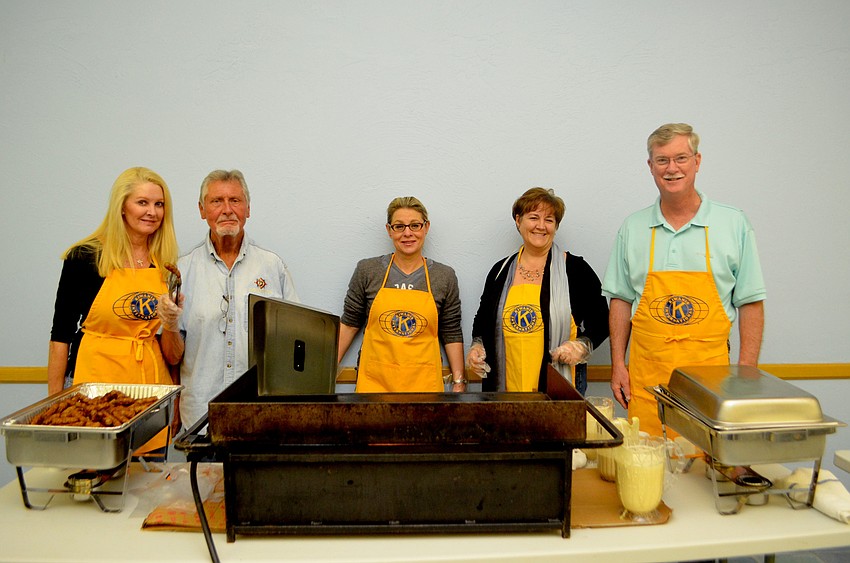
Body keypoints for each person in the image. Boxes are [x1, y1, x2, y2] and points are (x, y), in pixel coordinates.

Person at [602, 123, 766, 437]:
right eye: (662, 160)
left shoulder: (732, 223)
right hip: (647, 383)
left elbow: (751, 302)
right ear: (650, 167)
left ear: (697, 161)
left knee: (704, 475)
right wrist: (618, 365)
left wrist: (746, 373)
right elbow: (620, 301)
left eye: (681, 158)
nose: (672, 168)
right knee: (647, 469)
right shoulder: (632, 228)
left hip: (712, 386)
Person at [47, 166, 181, 453]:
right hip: (95, 388)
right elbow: (60, 337)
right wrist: (55, 406)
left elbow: (172, 354)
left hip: (151, 391)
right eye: (142, 202)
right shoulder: (84, 257)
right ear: (122, 207)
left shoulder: (165, 264)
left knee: (148, 482)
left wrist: (170, 323)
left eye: (159, 204)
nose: (152, 212)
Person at [166, 169, 299, 430]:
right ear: (202, 210)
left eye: (235, 201)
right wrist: (169, 324)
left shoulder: (273, 267)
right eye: (217, 201)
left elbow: (293, 343)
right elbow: (172, 357)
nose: (227, 209)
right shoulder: (183, 271)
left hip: (261, 415)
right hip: (201, 417)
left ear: (248, 208)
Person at [466, 188, 609, 394]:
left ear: (556, 226)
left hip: (560, 385)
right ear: (518, 220)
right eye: (533, 217)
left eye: (549, 220)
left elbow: (602, 320)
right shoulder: (499, 272)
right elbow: (482, 320)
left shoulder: (576, 270)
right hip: (504, 388)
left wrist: (582, 345)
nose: (541, 226)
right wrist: (477, 346)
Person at [338, 196, 465, 393]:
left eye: (415, 225)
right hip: (374, 385)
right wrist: (323, 372)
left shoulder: (444, 276)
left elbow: (451, 332)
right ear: (389, 230)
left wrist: (459, 382)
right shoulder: (368, 270)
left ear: (426, 227)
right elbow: (349, 324)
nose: (408, 233)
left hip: (425, 387)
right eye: (399, 226)